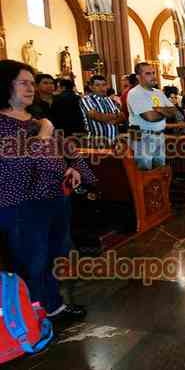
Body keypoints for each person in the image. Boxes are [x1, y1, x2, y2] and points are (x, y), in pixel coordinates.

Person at [0, 59, 95, 320]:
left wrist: (74, 168)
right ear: (5, 85)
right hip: (21, 202)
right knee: (33, 259)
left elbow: (69, 151)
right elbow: (13, 163)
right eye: (23, 83)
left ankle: (53, 305)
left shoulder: (37, 120)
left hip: (54, 197)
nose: (30, 88)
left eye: (32, 83)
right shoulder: (6, 124)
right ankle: (34, 316)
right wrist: (44, 133)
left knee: (56, 255)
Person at [127, 62, 176, 170]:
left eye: (153, 73)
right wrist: (165, 112)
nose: (153, 76)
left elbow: (174, 111)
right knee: (145, 172)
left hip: (159, 135)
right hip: (142, 137)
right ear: (138, 77)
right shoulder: (135, 93)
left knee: (160, 170)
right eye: (148, 73)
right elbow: (150, 117)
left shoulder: (158, 92)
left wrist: (159, 110)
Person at [79, 75, 124, 147]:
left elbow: (122, 117)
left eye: (104, 85)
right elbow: (96, 116)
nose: (101, 88)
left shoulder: (109, 100)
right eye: (97, 85)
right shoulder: (86, 100)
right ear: (91, 87)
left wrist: (111, 118)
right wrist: (115, 116)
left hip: (113, 142)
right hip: (96, 143)